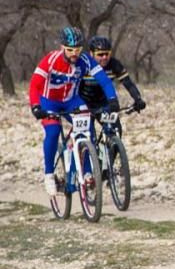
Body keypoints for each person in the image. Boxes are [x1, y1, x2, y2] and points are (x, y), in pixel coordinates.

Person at [28, 27, 119, 197]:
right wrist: (35, 106)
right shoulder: (51, 60)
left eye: (77, 50)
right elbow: (34, 85)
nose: (74, 54)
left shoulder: (85, 60)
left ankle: (87, 172)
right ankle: (49, 174)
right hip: (49, 101)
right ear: (62, 47)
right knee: (54, 131)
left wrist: (112, 99)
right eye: (70, 50)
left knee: (87, 128)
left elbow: (105, 81)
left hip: (71, 100)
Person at [80, 35, 147, 124]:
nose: (104, 57)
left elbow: (128, 84)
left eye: (107, 54)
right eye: (100, 54)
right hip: (84, 102)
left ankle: (112, 137)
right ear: (91, 54)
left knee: (113, 129)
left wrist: (138, 99)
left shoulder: (114, 64)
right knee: (88, 132)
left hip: (103, 102)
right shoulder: (83, 64)